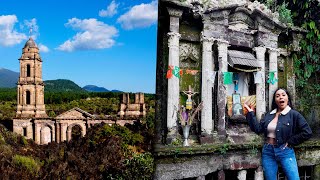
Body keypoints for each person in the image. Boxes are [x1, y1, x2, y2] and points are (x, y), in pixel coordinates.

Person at [244, 88, 312, 180]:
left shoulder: (294, 114)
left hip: (285, 152)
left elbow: (307, 132)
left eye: (283, 95)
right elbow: (258, 129)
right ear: (275, 100)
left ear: (287, 98)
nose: (281, 97)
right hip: (268, 152)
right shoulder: (269, 115)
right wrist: (250, 113)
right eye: (277, 96)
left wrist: (290, 141)